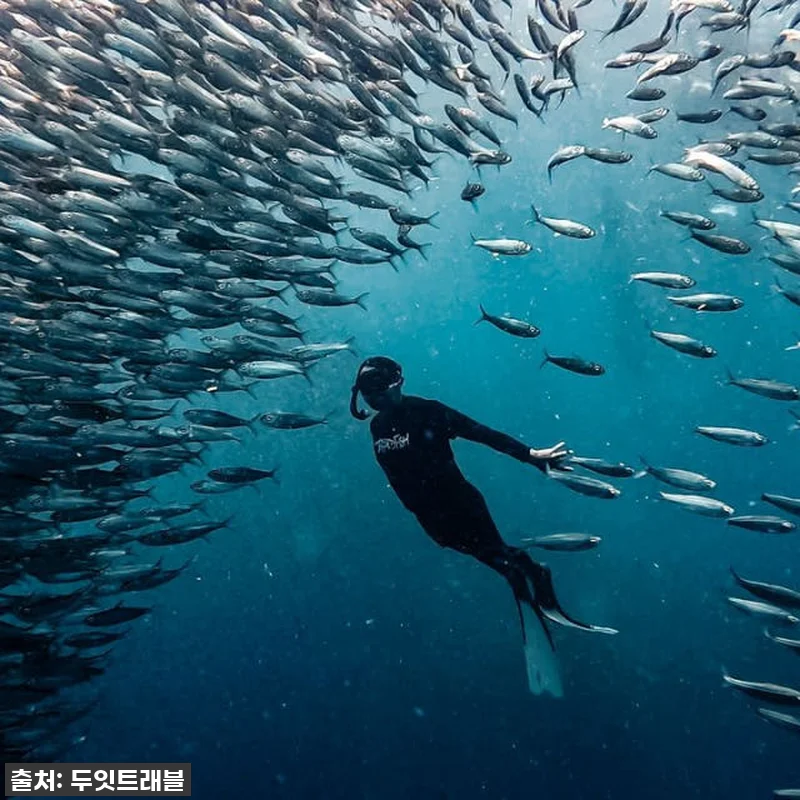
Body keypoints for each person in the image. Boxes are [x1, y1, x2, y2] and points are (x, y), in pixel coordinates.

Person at [350, 356, 616, 696]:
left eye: (380, 390)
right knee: (495, 558)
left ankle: (530, 577)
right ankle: (527, 571)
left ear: (399, 382)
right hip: (431, 521)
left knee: (499, 559)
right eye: (367, 393)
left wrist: (531, 455)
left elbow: (481, 433)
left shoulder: (428, 411)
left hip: (460, 504)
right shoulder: (376, 427)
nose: (375, 399)